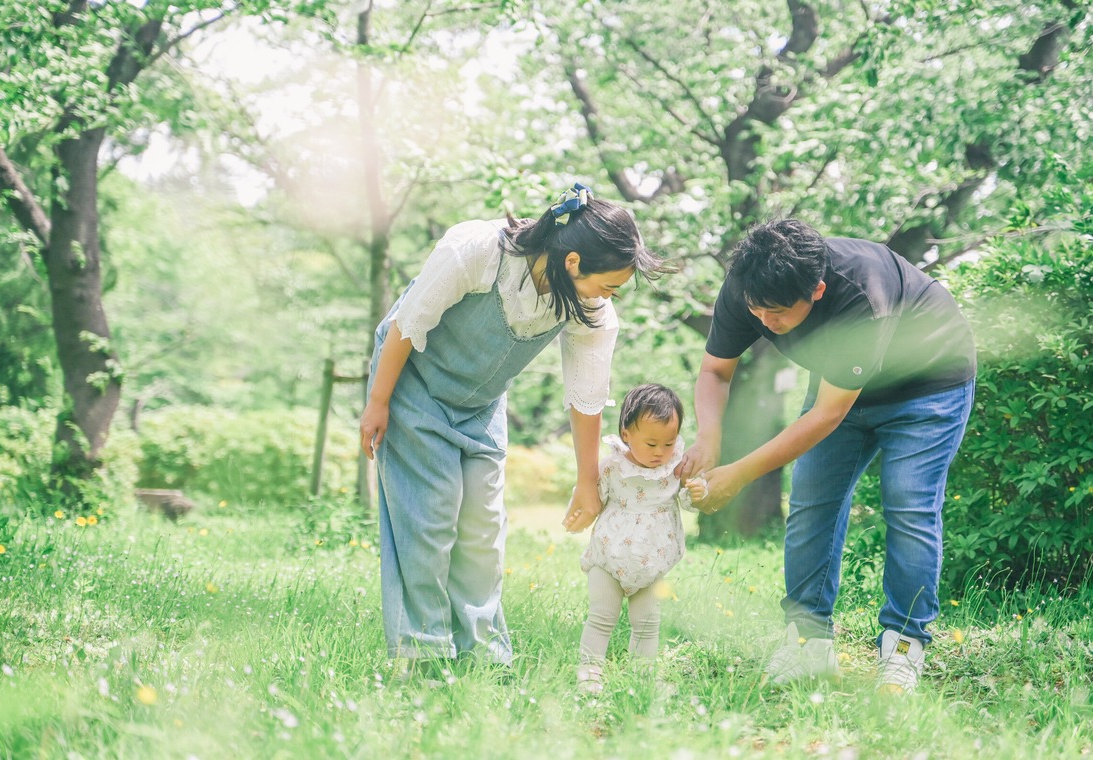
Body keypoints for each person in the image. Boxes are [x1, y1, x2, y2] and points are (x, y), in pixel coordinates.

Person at [359, 183, 665, 675]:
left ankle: (483, 658)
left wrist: (588, 480)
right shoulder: (477, 251)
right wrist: (378, 402)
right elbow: (406, 323)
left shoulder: (591, 310)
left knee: (483, 532)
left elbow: (585, 398)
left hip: (480, 404)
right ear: (572, 264)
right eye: (608, 284)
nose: (610, 297)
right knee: (431, 520)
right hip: (413, 386)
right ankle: (423, 655)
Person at [677, 219, 976, 693]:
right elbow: (715, 371)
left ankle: (904, 646)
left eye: (776, 313)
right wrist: (708, 441)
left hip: (927, 385)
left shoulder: (860, 295)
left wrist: (736, 475)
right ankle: (807, 642)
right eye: (756, 310)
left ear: (816, 291)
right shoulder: (749, 284)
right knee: (812, 501)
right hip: (840, 382)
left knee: (908, 503)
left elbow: (828, 416)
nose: (764, 322)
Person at [571, 383, 708, 693]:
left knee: (647, 624)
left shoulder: (676, 469)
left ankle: (642, 677)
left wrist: (696, 492)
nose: (660, 452)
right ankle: (590, 673)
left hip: (653, 561)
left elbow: (686, 500)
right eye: (651, 443)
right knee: (602, 616)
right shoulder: (612, 467)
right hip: (609, 556)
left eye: (668, 443)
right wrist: (579, 514)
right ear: (626, 434)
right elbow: (592, 497)